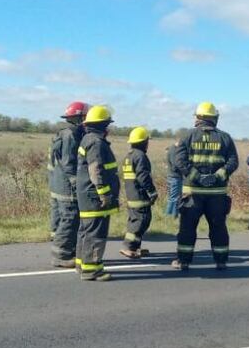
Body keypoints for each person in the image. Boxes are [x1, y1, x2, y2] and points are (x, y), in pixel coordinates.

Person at [172, 102, 239, 271]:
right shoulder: (225, 137)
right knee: (218, 227)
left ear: (199, 118)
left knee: (187, 228)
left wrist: (197, 177)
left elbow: (179, 161)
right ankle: (221, 261)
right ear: (214, 118)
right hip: (217, 194)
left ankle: (183, 262)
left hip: (192, 193)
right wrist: (217, 176)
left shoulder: (187, 136)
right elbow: (233, 162)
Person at [75, 105, 120, 281]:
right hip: (95, 197)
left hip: (86, 194)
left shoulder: (87, 139)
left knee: (85, 231)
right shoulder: (96, 143)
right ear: (103, 125)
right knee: (96, 233)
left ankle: (82, 264)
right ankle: (91, 270)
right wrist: (105, 194)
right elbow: (96, 170)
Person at [48, 101, 88, 267]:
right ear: (80, 117)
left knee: (62, 217)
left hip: (57, 182)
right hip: (66, 186)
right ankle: (62, 255)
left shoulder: (64, 133)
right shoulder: (72, 134)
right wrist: (75, 183)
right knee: (70, 217)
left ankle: (67, 249)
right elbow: (69, 163)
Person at [120, 126, 158, 259]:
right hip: (139, 195)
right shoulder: (140, 156)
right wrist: (152, 192)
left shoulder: (129, 156)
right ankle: (129, 247)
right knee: (141, 220)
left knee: (135, 219)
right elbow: (143, 177)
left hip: (131, 194)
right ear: (143, 142)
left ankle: (136, 247)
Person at [164, 135, 183, 219]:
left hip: (173, 176)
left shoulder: (173, 149)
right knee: (175, 198)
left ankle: (169, 216)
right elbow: (175, 165)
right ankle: (172, 216)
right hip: (175, 177)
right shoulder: (174, 150)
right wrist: (183, 169)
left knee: (172, 197)